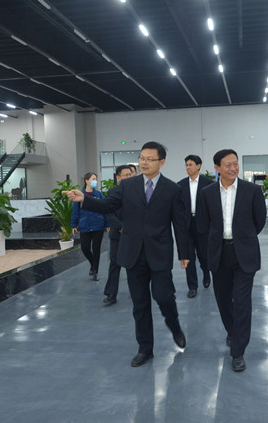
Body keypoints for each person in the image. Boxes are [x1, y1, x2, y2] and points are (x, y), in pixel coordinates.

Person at [63, 142, 190, 368]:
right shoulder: (128, 185)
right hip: (133, 253)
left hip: (159, 253)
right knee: (140, 304)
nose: (144, 162)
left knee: (164, 297)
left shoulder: (172, 189)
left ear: (161, 162)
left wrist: (184, 252)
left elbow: (180, 224)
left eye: (150, 159)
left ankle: (175, 327)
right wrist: (84, 199)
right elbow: (108, 205)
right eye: (142, 158)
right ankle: (145, 349)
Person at [197, 149, 266, 372]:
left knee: (242, 301)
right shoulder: (207, 193)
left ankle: (238, 351)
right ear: (217, 168)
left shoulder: (252, 191)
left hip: (244, 253)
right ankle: (233, 331)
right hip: (219, 253)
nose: (233, 168)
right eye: (228, 165)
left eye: (235, 164)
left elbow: (259, 221)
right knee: (223, 299)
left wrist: (243, 238)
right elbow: (203, 224)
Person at [178, 154, 212, 298]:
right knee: (188, 257)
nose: (188, 167)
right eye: (186, 165)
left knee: (204, 256)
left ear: (198, 166)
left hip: (203, 224)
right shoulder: (180, 185)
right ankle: (192, 286)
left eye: (191, 164)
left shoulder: (208, 184)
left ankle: (206, 273)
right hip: (187, 225)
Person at [102, 164, 133, 305]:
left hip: (133, 234)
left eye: (130, 175)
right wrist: (120, 226)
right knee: (114, 264)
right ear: (118, 177)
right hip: (117, 234)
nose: (129, 177)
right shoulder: (112, 192)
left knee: (133, 264)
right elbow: (108, 211)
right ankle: (111, 294)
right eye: (126, 175)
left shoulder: (138, 192)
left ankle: (136, 291)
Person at [71, 172, 108, 281]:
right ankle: (93, 264)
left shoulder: (99, 195)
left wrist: (107, 224)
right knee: (85, 248)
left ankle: (95, 270)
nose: (95, 181)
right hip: (84, 225)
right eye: (93, 179)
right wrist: (74, 225)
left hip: (98, 225)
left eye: (96, 179)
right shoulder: (80, 194)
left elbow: (105, 209)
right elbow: (75, 211)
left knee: (96, 249)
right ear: (86, 181)